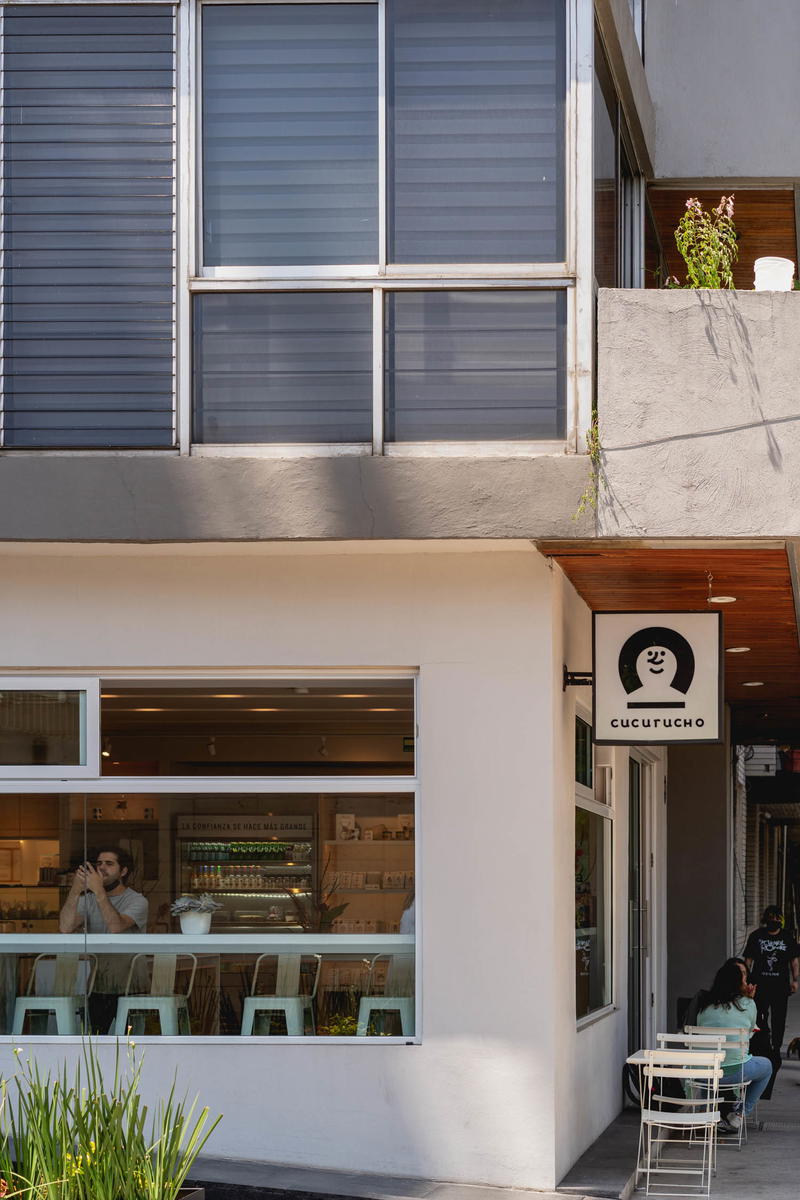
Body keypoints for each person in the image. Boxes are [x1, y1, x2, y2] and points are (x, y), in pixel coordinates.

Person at [59, 847, 148, 1033]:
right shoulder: (89, 899)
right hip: (98, 985)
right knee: (96, 1042)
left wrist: (99, 891)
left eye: (109, 864)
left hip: (131, 987)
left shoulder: (137, 900)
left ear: (123, 871)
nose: (102, 868)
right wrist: (75, 891)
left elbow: (116, 926)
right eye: (99, 863)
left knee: (130, 1045)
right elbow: (65, 928)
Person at [696, 957, 773, 1132]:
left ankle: (705, 1111)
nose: (747, 982)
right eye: (744, 979)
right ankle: (739, 1115)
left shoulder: (704, 1004)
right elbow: (750, 1034)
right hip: (734, 1073)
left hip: (702, 1073)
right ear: (738, 983)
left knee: (710, 1062)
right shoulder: (747, 1004)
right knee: (767, 1066)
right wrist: (749, 999)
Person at [743, 906, 799, 1058]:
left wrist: (795, 980)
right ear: (765, 919)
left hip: (780, 986)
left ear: (781, 920)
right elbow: (748, 960)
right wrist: (745, 980)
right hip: (759, 985)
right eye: (771, 918)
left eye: (776, 918)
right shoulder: (756, 936)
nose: (773, 921)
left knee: (779, 1018)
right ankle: (762, 1044)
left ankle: (776, 1046)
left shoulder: (787, 937)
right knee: (760, 1016)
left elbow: (794, 961)